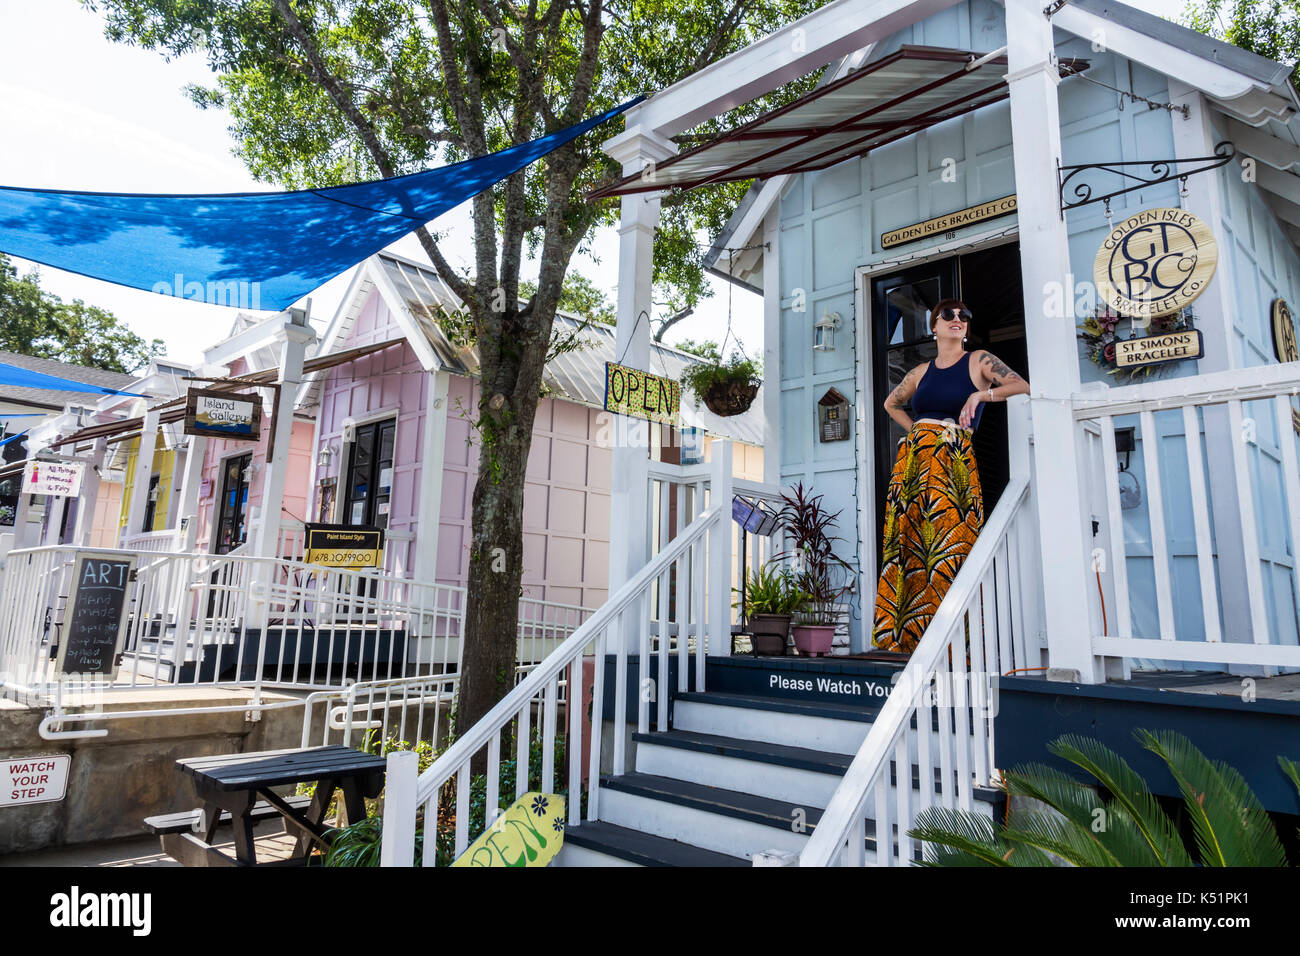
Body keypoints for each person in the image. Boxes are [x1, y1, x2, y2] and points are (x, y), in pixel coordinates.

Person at [872, 298, 1029, 654]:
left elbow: (1021, 386)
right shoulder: (920, 372)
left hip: (954, 460)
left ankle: (958, 638)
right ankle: (910, 636)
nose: (957, 319)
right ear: (934, 326)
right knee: (911, 543)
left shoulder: (979, 360)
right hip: (914, 464)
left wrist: (981, 394)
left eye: (964, 315)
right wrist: (915, 433)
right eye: (949, 315)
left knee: (951, 544)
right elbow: (889, 404)